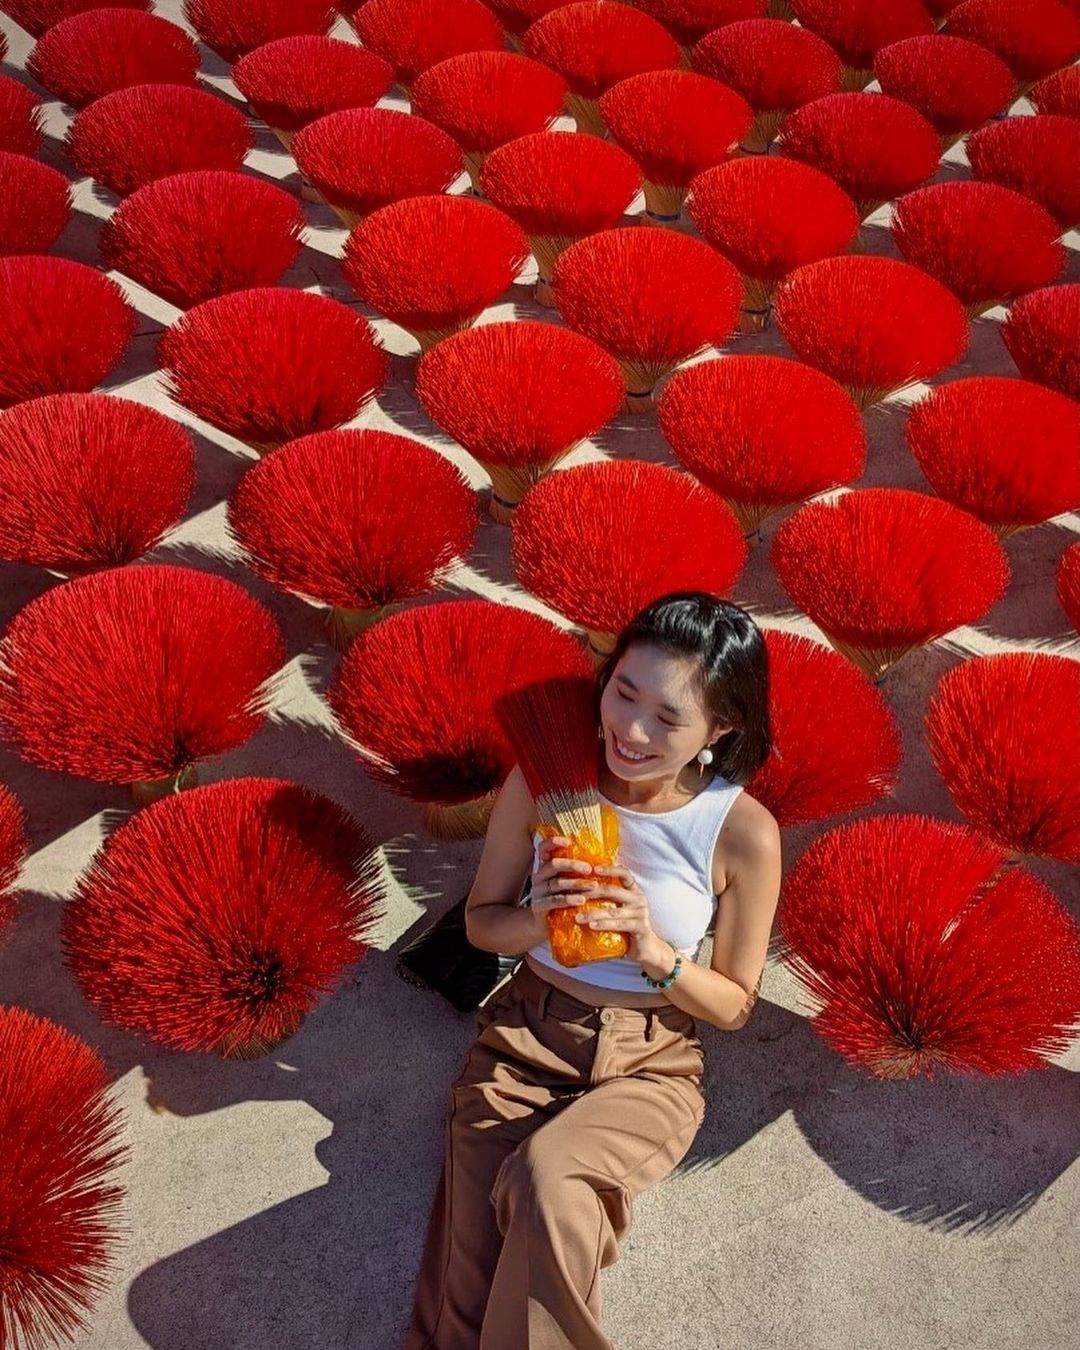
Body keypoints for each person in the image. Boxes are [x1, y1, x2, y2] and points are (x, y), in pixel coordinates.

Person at [405, 592, 782, 1350]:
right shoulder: (549, 776)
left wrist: (654, 952)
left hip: (652, 1062)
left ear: (719, 730)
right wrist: (539, 921)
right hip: (525, 1039)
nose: (631, 730)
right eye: (623, 692)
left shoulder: (741, 833)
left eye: (668, 718)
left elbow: (734, 1005)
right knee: (466, 1292)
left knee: (547, 1180)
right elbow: (482, 923)